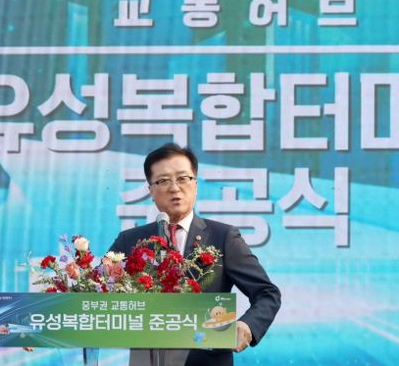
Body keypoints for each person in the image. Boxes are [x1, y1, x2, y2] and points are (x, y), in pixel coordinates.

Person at [109, 143, 281, 366]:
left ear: (196, 185)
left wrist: (247, 325)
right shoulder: (130, 240)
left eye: (183, 178)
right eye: (163, 181)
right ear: (151, 191)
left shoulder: (223, 237)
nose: (175, 188)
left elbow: (267, 293)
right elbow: (97, 292)